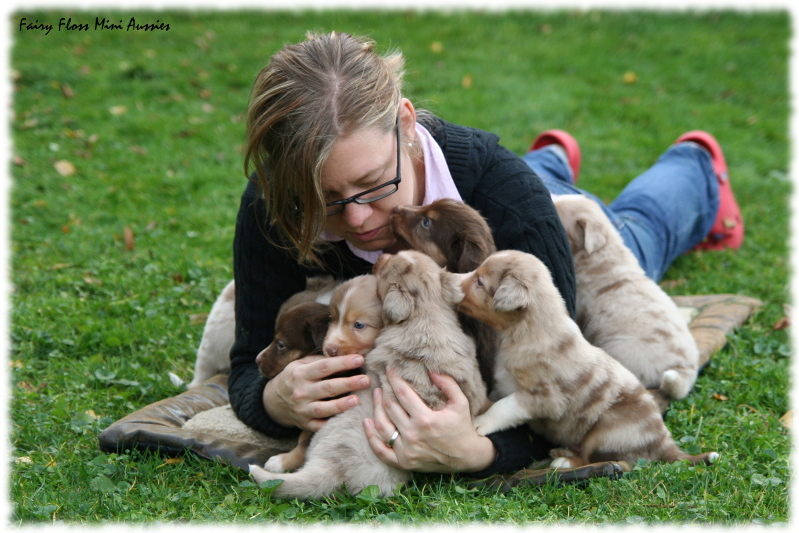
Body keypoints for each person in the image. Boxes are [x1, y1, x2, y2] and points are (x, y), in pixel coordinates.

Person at [228, 31, 743, 477]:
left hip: (542, 214)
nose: (359, 220)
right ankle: (551, 159)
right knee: (544, 182)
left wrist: (479, 450)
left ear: (407, 125)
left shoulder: (511, 202)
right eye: (327, 203)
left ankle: (694, 167)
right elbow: (247, 360)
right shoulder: (276, 204)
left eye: (372, 185)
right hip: (514, 192)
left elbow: (558, 386)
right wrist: (273, 401)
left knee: (632, 236)